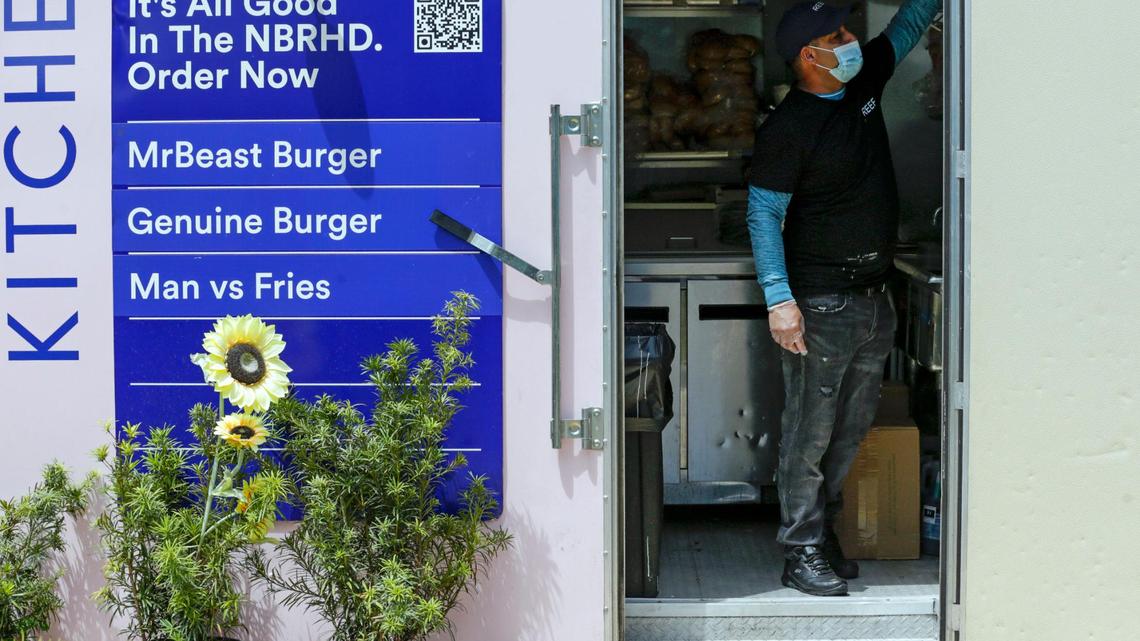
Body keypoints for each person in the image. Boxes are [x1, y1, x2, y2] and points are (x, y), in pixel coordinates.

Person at [746, 0, 940, 597]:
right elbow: (764, 215)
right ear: (811, 56)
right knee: (809, 432)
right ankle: (799, 548)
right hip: (820, 304)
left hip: (872, 300)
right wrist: (780, 302)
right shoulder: (788, 129)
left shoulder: (864, 82)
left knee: (850, 430)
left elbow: (906, 27)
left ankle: (821, 531)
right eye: (837, 35)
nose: (852, 39)